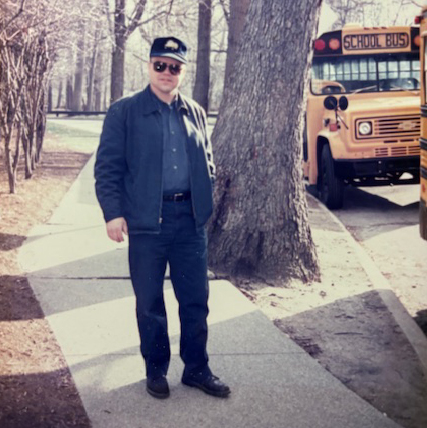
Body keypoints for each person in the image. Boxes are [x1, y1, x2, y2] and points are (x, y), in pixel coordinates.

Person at [94, 36, 230, 400]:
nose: (167, 73)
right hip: (146, 224)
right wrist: (113, 214)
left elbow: (208, 162)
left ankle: (197, 369)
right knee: (150, 302)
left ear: (182, 72)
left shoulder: (196, 112)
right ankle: (155, 370)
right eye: (160, 65)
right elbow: (107, 167)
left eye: (175, 67)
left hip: (189, 222)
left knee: (195, 300)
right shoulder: (124, 112)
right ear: (150, 66)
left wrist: (204, 200)